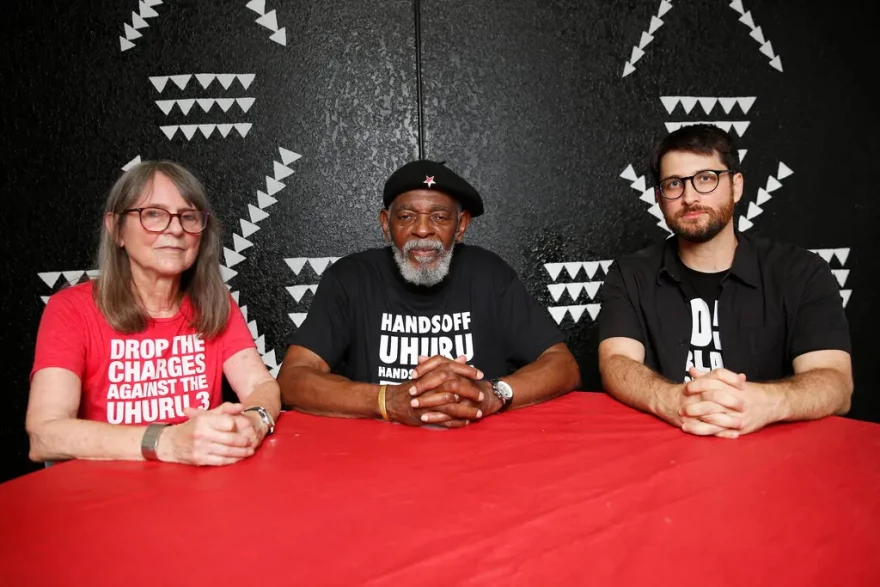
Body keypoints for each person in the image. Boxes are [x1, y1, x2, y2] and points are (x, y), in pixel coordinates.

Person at [277, 159, 580, 427]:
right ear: (386, 224)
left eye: (439, 217)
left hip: (482, 459)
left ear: (460, 226)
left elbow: (563, 365)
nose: (423, 230)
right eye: (407, 216)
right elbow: (292, 380)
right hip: (376, 461)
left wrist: (492, 393)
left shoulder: (489, 274)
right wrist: (386, 400)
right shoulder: (351, 278)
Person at [598, 124, 852, 438]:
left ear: (736, 185)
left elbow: (837, 383)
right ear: (660, 199)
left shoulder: (801, 271)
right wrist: (670, 399)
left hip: (776, 460)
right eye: (674, 184)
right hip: (665, 458)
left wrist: (767, 403)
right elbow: (616, 363)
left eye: (706, 179)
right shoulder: (631, 274)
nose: (690, 197)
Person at [27, 161, 281, 466]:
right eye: (153, 214)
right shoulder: (70, 309)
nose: (175, 229)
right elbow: (45, 434)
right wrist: (168, 442)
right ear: (116, 228)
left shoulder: (216, 303)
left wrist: (255, 420)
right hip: (105, 495)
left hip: (200, 491)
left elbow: (260, 387)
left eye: (188, 217)